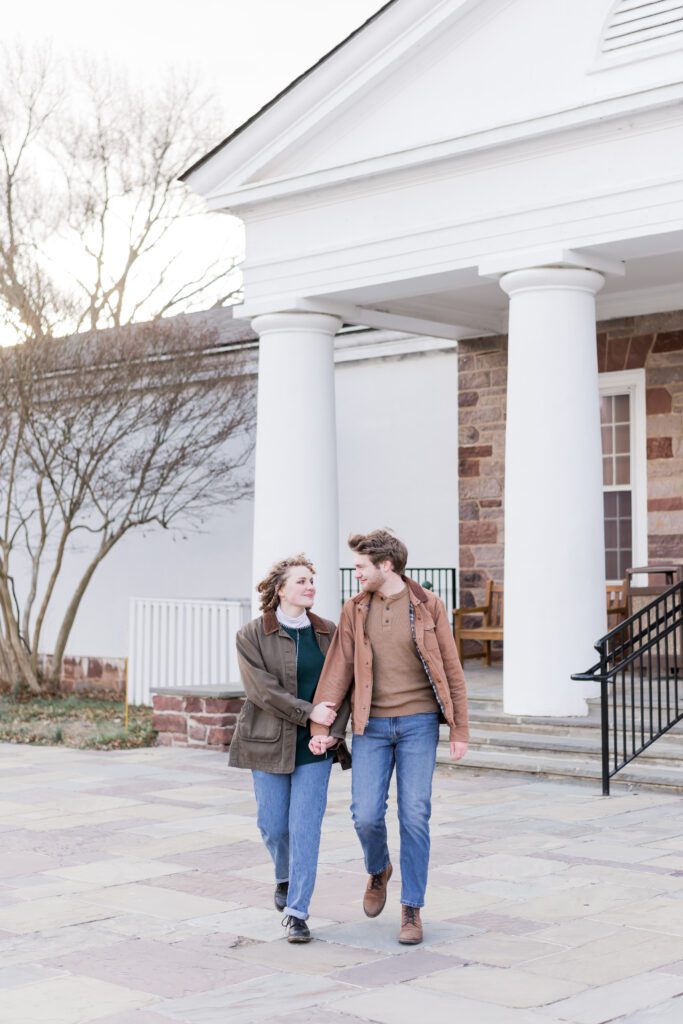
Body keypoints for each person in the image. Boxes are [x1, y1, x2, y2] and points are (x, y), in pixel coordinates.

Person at [309, 529, 468, 945]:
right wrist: (321, 726)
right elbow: (339, 668)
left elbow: (451, 668)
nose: (356, 572)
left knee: (415, 814)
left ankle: (412, 907)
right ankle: (378, 869)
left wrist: (460, 728)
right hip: (371, 726)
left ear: (386, 565)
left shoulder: (429, 606)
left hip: (418, 723)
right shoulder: (355, 609)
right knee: (364, 814)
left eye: (362, 566)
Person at [229, 554, 350, 943]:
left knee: (305, 828)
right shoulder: (251, 635)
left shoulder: (329, 633)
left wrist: (332, 732)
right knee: (273, 826)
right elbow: (262, 691)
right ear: (281, 590)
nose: (310, 586)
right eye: (301, 581)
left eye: (312, 580)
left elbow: (345, 686)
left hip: (315, 747)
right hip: (266, 742)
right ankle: (283, 875)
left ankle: (298, 912)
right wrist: (309, 712)